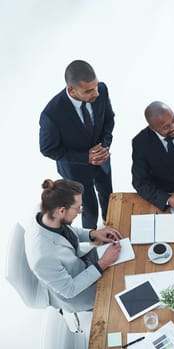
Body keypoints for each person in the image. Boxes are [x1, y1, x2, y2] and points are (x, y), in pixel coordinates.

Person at [25, 179, 122, 312]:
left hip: (81, 264)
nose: (80, 211)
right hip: (79, 291)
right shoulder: (43, 258)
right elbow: (70, 290)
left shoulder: (47, 212)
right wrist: (103, 263)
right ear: (61, 211)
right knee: (123, 287)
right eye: (77, 208)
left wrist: (94, 234)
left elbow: (67, 231)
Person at [39, 60, 115, 229]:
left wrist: (104, 145)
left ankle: (111, 225)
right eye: (88, 91)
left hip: (103, 161)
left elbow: (109, 120)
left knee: (108, 198)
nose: (95, 93)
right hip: (76, 171)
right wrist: (85, 157)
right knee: (89, 209)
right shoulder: (52, 114)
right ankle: (92, 239)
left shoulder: (101, 90)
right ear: (72, 90)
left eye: (95, 86)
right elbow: (47, 149)